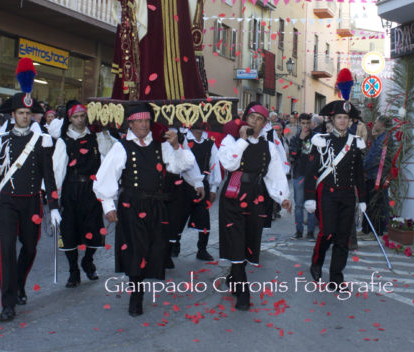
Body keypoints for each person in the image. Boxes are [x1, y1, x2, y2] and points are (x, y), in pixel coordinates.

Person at [94, 103, 196, 317]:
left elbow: (182, 166)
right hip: (132, 205)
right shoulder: (122, 147)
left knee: (154, 248)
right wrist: (108, 205)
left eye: (147, 120)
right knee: (135, 249)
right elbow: (106, 176)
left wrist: (177, 145)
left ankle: (141, 285)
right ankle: (136, 294)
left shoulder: (161, 145)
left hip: (156, 205)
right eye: (139, 121)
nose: (144, 125)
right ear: (130, 124)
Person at [0, 93, 61, 322]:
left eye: (28, 113)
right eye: (21, 113)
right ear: (13, 115)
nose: (25, 117)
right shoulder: (0, 140)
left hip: (32, 202)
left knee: (30, 247)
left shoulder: (41, 140)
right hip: (7, 201)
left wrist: (54, 206)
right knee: (6, 250)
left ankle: (19, 283)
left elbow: (49, 175)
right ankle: (8, 304)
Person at [218, 104, 291, 310]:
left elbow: (275, 174)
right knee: (235, 239)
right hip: (233, 195)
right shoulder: (231, 140)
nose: (254, 121)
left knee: (248, 240)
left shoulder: (268, 147)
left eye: (259, 119)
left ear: (264, 124)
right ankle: (243, 291)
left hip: (255, 196)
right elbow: (229, 164)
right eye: (251, 117)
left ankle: (234, 276)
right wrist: (242, 140)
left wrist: (282, 197)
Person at [304, 100, 367, 291]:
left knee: (343, 238)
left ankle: (336, 279)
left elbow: (359, 174)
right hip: (328, 194)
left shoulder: (355, 143)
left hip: (347, 196)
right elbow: (311, 171)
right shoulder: (322, 141)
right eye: (339, 117)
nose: (342, 121)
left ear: (350, 120)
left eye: (345, 118)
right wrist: (309, 197)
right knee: (327, 232)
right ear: (333, 119)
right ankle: (316, 262)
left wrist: (362, 199)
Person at [52, 101, 107, 288]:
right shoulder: (64, 141)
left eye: (82, 116)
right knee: (69, 230)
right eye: (76, 117)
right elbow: (58, 169)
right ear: (70, 119)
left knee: (94, 227)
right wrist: (54, 197)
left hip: (91, 190)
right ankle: (73, 270)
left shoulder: (95, 138)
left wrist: (105, 133)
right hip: (71, 190)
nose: (80, 120)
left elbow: (108, 156)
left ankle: (88, 260)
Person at [169, 123, 218, 261]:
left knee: (203, 217)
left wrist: (213, 187)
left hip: (201, 183)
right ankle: (175, 246)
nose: (199, 128)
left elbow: (214, 165)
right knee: (179, 217)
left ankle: (202, 249)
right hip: (183, 186)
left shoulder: (209, 143)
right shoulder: (182, 137)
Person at [361, 115, 392, 239]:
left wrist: (363, 167)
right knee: (370, 204)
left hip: (377, 176)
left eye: (376, 122)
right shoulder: (379, 138)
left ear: (382, 124)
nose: (374, 124)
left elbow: (375, 158)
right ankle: (367, 229)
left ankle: (376, 231)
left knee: (377, 205)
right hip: (371, 175)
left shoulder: (385, 139)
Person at [289, 113, 316, 240]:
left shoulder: (315, 138)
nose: (306, 126)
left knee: (311, 204)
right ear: (299, 123)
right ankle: (299, 231)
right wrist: (301, 140)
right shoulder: (295, 138)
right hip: (299, 173)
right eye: (303, 123)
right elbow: (293, 155)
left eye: (308, 123)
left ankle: (310, 232)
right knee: (299, 204)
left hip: (312, 175)